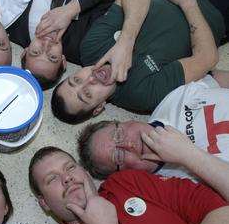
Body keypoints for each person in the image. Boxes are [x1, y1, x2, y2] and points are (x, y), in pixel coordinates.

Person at [52, 0, 229, 123]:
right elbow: (207, 58)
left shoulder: (90, 49)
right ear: (99, 108)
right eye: (88, 94)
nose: (90, 79)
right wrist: (187, 2)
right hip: (215, 13)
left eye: (76, 79)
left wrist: (126, 42)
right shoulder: (140, 95)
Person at [28, 146, 229, 224]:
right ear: (44, 203)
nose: (67, 178)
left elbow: (222, 212)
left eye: (70, 167)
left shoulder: (128, 182)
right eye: (52, 179)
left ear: (86, 172)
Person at [78, 72, 229, 180]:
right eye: (119, 156)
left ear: (122, 121)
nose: (129, 145)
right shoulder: (175, 187)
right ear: (124, 174)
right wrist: (187, 155)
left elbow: (217, 80)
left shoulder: (171, 102)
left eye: (118, 135)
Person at [8, 0, 133, 89]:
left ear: (25, 51)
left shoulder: (13, 23)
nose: (46, 45)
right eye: (52, 57)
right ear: (63, 61)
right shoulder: (84, 45)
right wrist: (73, 8)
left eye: (35, 52)